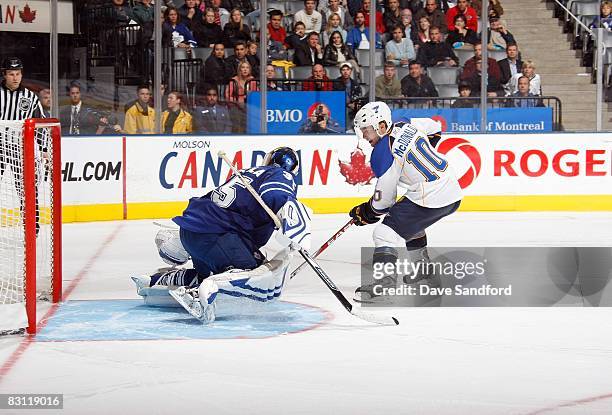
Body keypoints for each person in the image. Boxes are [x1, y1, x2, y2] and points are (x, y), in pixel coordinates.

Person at [131, 147, 312, 323]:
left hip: (193, 231)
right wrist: (292, 224)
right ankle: (199, 294)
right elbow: (277, 194)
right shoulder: (281, 175)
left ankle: (158, 280)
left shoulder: (248, 173)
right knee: (254, 272)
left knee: (210, 273)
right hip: (218, 236)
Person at [349, 102, 462, 302]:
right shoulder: (404, 123)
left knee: (383, 234)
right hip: (451, 189)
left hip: (431, 196)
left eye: (366, 130)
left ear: (381, 126)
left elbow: (383, 202)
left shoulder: (382, 154)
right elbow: (435, 128)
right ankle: (424, 271)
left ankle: (385, 283)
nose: (364, 137)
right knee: (411, 224)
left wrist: (366, 212)